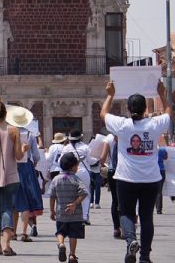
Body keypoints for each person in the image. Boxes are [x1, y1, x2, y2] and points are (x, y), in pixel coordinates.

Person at [101, 80, 172, 263]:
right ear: (144, 109)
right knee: (147, 216)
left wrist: (110, 94)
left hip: (126, 178)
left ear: (128, 108)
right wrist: (162, 94)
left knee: (126, 213)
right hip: (151, 178)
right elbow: (168, 113)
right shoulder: (154, 125)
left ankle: (131, 240)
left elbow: (103, 113)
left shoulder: (123, 125)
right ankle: (145, 256)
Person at [0, 96, 28, 257]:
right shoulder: (14, 130)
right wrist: (23, 148)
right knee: (7, 208)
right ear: (5, 113)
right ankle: (7, 245)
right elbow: (18, 156)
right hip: (10, 175)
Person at [8, 107, 43, 242]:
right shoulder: (30, 135)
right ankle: (24, 232)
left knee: (14, 202)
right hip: (26, 168)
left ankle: (13, 232)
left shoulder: (10, 134)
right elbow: (36, 156)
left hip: (13, 168)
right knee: (26, 201)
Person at [50, 152, 89, 263]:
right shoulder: (76, 179)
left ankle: (61, 244)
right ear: (73, 167)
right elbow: (84, 193)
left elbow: (52, 196)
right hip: (75, 214)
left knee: (60, 232)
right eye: (77, 166)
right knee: (73, 234)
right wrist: (75, 203)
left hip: (61, 213)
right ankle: (72, 255)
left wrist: (52, 211)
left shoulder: (56, 179)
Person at [61, 130, 95, 224]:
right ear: (80, 137)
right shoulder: (85, 147)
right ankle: (84, 216)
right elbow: (91, 161)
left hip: (70, 172)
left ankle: (71, 215)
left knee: (70, 194)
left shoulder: (66, 148)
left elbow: (61, 161)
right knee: (85, 194)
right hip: (84, 172)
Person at [155, 146, 168, 215]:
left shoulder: (151, 149)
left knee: (152, 190)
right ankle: (159, 209)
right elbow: (166, 157)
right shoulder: (162, 149)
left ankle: (154, 207)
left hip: (153, 171)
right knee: (159, 191)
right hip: (162, 170)